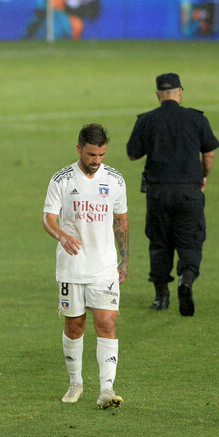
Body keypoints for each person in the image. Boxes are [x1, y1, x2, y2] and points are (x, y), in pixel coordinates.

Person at [43, 124, 128, 409]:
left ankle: (106, 388)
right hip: (71, 268)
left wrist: (124, 258)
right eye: (91, 154)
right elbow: (48, 218)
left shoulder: (115, 180)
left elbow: (121, 220)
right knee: (74, 325)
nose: (96, 160)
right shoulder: (62, 180)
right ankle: (75, 382)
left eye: (101, 154)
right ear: (79, 148)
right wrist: (62, 235)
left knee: (106, 323)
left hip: (104, 267)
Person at [127, 73, 219, 316]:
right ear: (180, 92)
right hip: (189, 191)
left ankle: (161, 297)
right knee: (190, 240)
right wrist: (203, 175)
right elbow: (209, 154)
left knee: (159, 243)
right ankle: (186, 280)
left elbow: (132, 154)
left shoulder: (147, 120)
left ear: (158, 95)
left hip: (157, 193)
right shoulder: (196, 119)